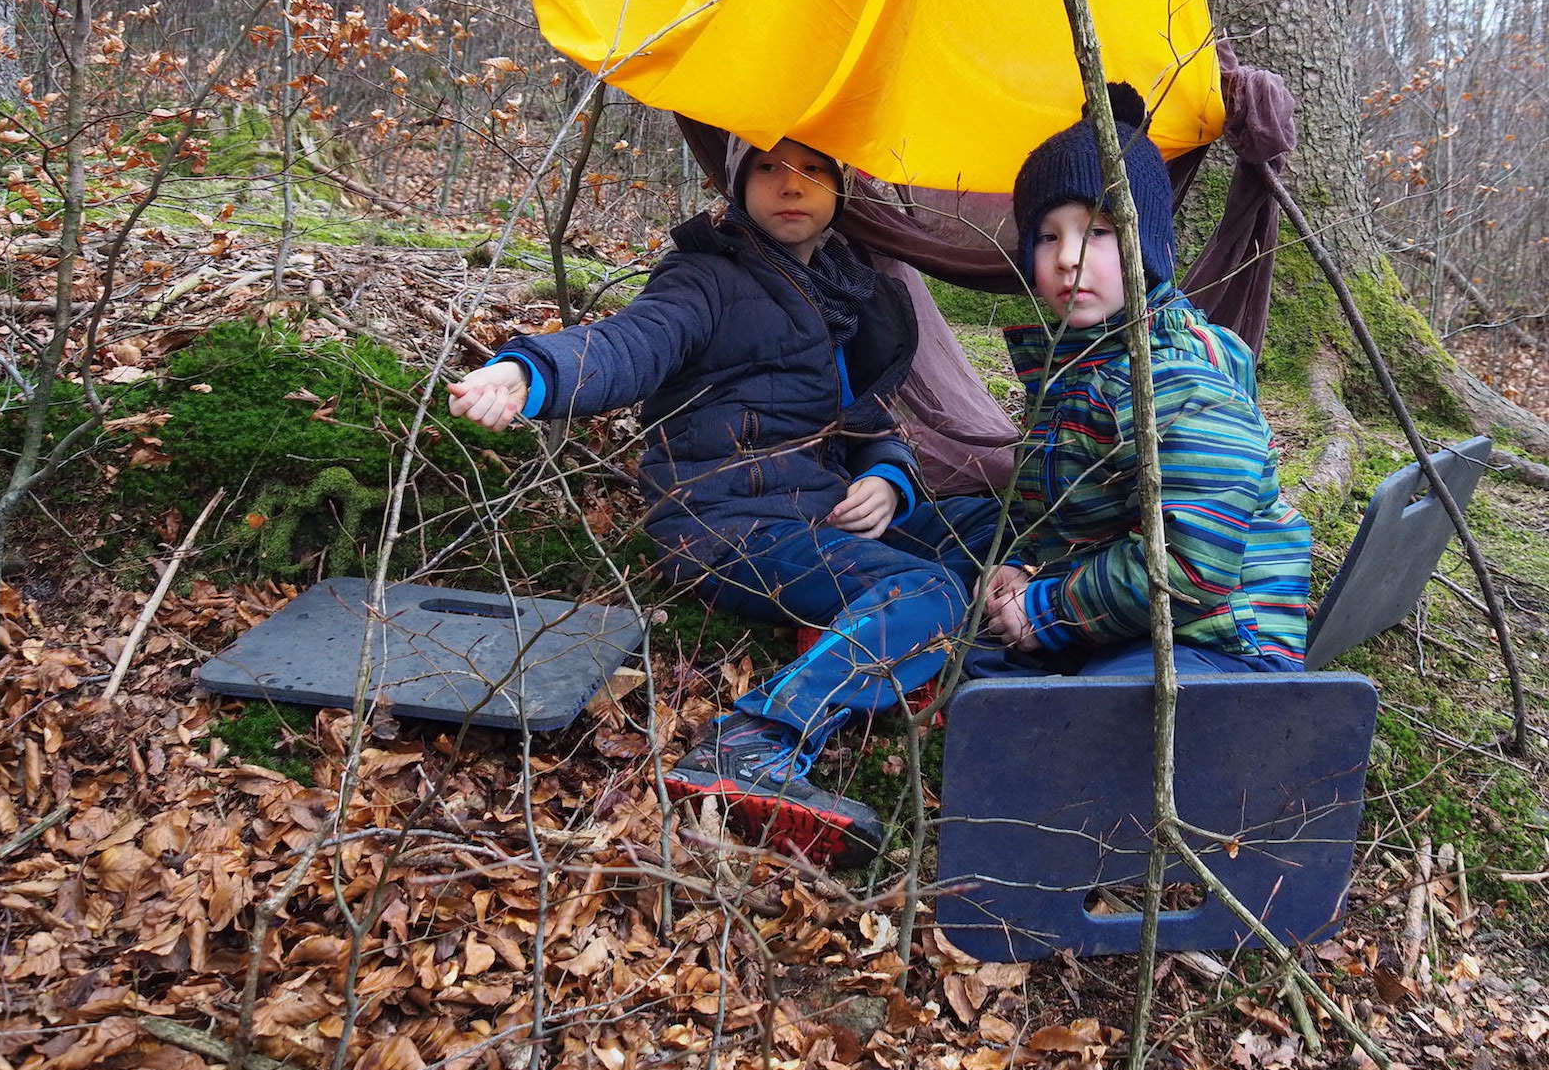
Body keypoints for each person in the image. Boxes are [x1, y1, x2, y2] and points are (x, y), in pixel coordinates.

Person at [449, 136, 997, 866]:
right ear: (739, 184)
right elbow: (631, 343)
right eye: (768, 168)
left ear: (841, 189)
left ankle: (953, 664)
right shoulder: (705, 276)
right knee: (926, 588)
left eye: (813, 169)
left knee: (991, 524)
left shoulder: (843, 290)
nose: (790, 184)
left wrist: (887, 478)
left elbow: (865, 420)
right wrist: (531, 373)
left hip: (821, 510)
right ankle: (755, 743)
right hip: (726, 525)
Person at [974, 85, 1314, 678]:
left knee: (1091, 713)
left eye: (1098, 231)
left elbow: (1191, 564)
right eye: (1048, 236)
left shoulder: (1176, 379)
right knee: (973, 653)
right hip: (1124, 618)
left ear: (1146, 242)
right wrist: (1024, 564)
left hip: (1218, 641)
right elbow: (1064, 510)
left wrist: (1048, 610)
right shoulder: (1076, 366)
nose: (1067, 257)